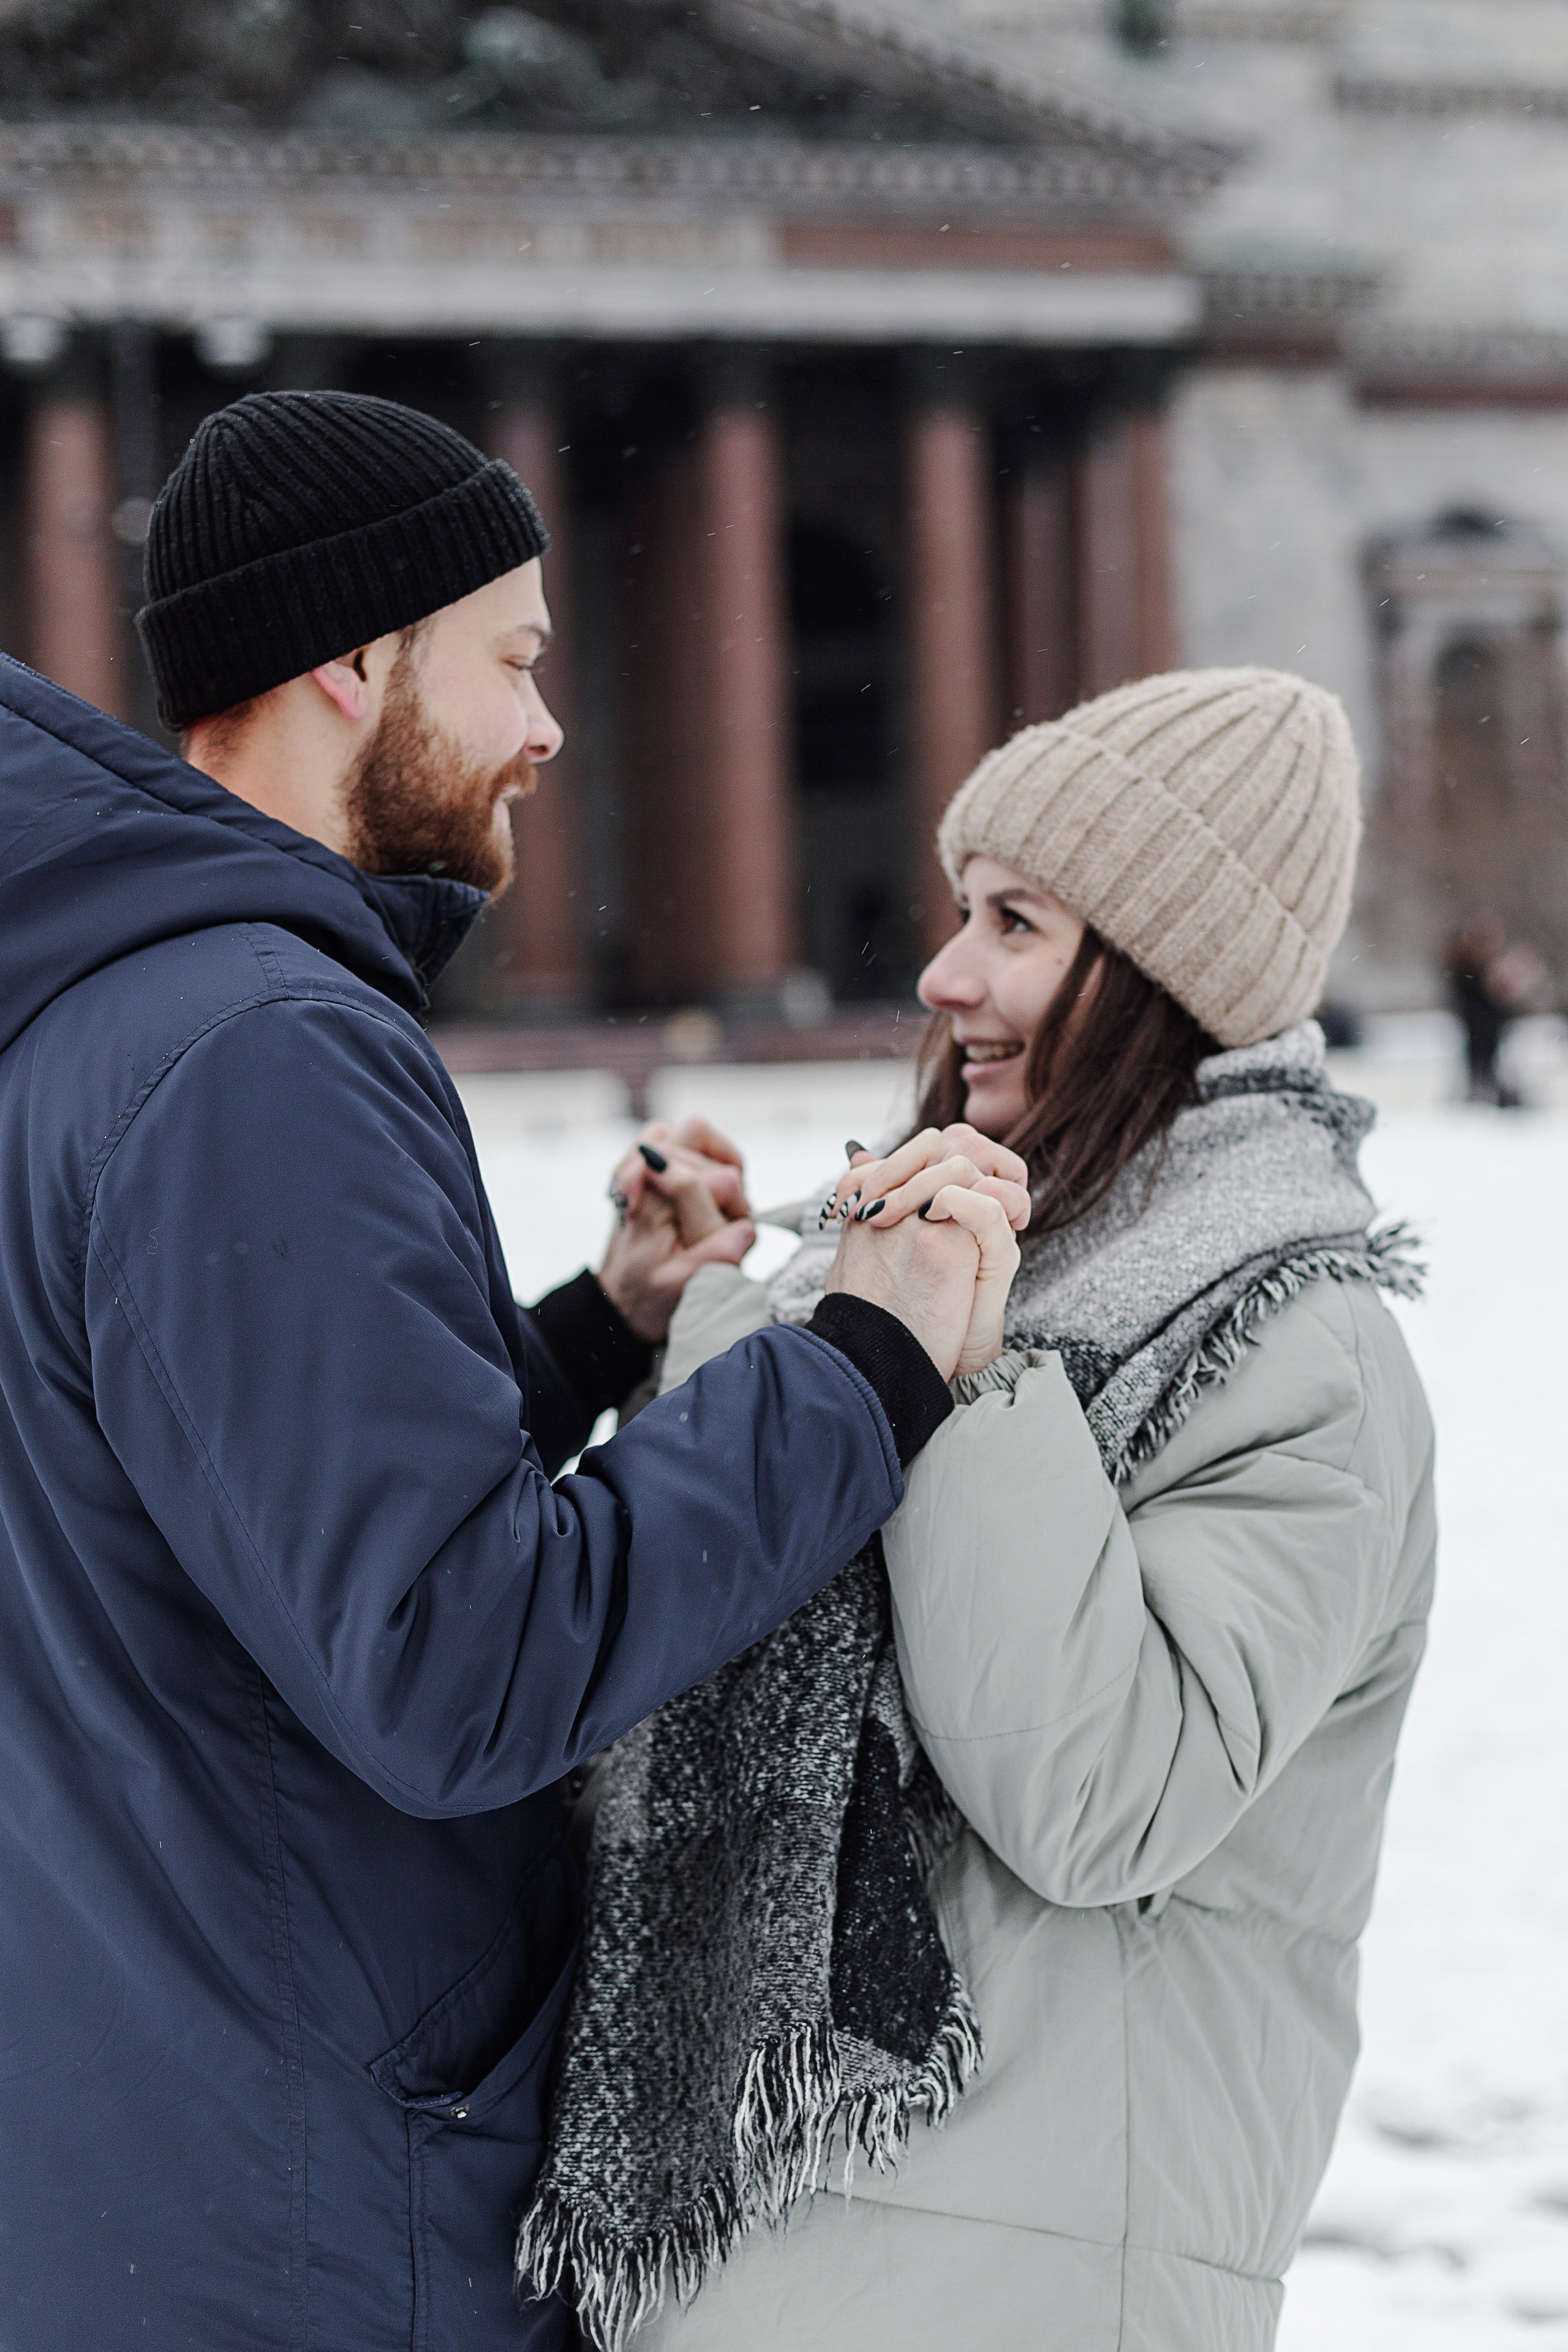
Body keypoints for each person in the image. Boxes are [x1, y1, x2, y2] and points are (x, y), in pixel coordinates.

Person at [0, 390, 1016, 2352]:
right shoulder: (259, 1045)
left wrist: (586, 1336)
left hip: (147, 2133)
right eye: (514, 658)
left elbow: (202, 1504)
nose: (551, 724)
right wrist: (866, 1365)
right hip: (311, 2203)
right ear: (354, 655)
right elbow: (456, 1668)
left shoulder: (91, 1017)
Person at [529, 668, 1437, 2352]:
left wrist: (958, 1364)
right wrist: (711, 1313)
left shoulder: (1304, 1351)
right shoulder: (921, 1246)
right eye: (961, 913)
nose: (945, 976)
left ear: (1165, 973)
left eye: (1016, 922)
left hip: (1020, 2277)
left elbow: (1096, 1797)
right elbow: (686, 1618)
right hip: (749, 2239)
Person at [1446, 915, 1547, 1106]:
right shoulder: (1467, 969)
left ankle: (1494, 1091)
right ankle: (1486, 1090)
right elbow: (1479, 999)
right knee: (1484, 1058)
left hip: (1490, 1028)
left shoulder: (1478, 966)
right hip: (1481, 1028)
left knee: (1495, 1059)